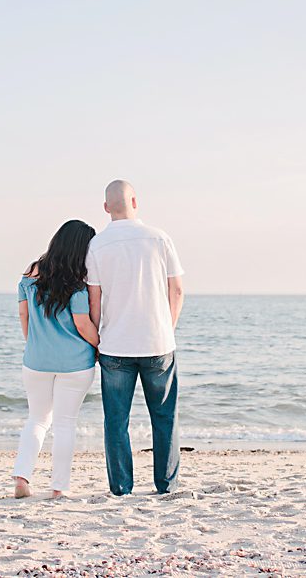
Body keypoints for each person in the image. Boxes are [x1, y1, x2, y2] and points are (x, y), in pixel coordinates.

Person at [85, 180, 185, 495]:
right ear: (135, 201)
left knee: (116, 421)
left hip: (115, 345)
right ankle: (166, 484)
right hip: (158, 341)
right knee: (164, 416)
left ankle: (121, 488)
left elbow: (94, 301)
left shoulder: (97, 246)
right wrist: (166, 328)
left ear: (105, 207)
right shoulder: (160, 238)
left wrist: (98, 340)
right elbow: (178, 290)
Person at [12, 220, 100, 499]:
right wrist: (100, 347)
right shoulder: (77, 283)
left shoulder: (30, 274)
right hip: (75, 364)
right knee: (64, 423)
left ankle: (22, 477)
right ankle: (59, 487)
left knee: (37, 419)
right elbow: (83, 324)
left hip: (36, 360)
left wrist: (34, 344)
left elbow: (24, 316)